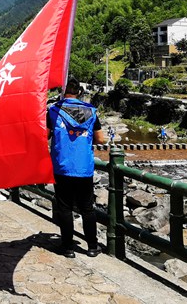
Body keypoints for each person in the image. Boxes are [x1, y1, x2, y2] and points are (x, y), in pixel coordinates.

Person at [47, 79, 105, 258]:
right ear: (79, 92)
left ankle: (68, 248)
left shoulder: (54, 111)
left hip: (62, 166)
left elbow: (45, 135)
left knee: (64, 207)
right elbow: (101, 139)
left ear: (64, 93)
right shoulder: (92, 112)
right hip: (83, 167)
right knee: (87, 207)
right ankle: (93, 247)